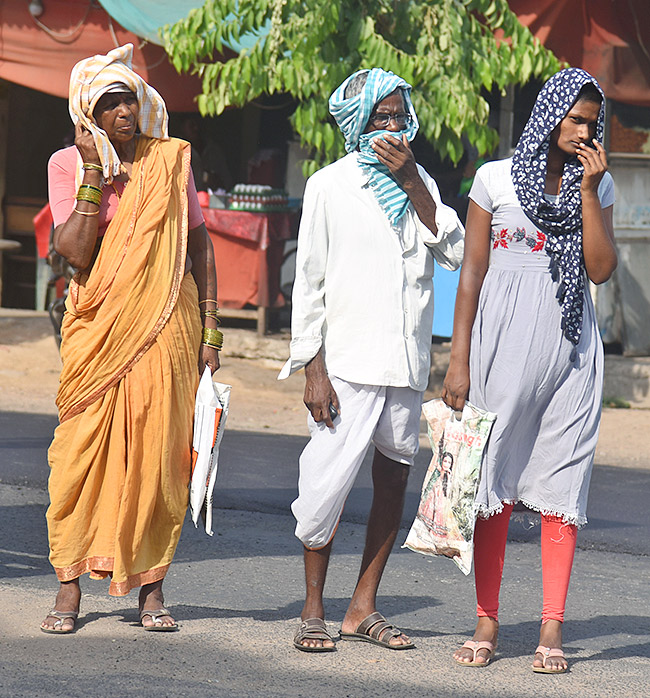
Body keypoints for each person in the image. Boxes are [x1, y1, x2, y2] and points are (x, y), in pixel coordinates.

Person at [278, 68, 464, 652]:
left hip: (406, 362)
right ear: (358, 122)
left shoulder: (419, 181)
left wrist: (413, 183)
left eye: (399, 116)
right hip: (346, 365)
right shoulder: (329, 186)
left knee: (393, 481)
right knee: (325, 487)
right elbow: (308, 284)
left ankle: (363, 608)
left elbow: (455, 251)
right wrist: (312, 365)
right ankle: (313, 608)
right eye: (381, 117)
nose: (393, 127)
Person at [41, 44, 222, 634]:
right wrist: (95, 171)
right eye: (109, 102)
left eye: (129, 100)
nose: (123, 112)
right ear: (87, 113)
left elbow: (198, 244)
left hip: (165, 323)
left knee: (157, 453)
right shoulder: (66, 163)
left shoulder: (168, 162)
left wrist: (212, 326)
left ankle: (151, 588)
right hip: (96, 329)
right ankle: (69, 586)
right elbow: (73, 251)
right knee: (78, 453)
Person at [442, 68, 617, 672]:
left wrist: (590, 192)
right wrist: (458, 358)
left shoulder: (600, 184)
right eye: (575, 119)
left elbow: (598, 270)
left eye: (593, 124)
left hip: (571, 351)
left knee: (559, 486)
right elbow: (471, 273)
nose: (584, 132)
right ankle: (486, 620)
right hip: (501, 347)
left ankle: (550, 629)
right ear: (549, 114)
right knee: (494, 480)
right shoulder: (494, 179)